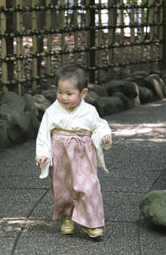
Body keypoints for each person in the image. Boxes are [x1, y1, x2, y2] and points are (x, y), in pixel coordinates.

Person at [35, 64, 112, 239]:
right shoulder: (52, 112)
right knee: (63, 187)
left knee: (88, 185)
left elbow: (100, 126)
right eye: (60, 92)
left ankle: (92, 222)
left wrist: (104, 135)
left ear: (83, 93)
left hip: (82, 153)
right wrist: (43, 153)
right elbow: (43, 134)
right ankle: (66, 217)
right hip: (60, 153)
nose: (63, 97)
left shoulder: (89, 111)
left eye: (69, 94)